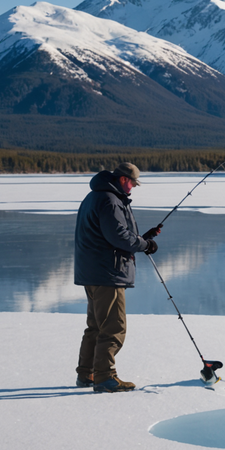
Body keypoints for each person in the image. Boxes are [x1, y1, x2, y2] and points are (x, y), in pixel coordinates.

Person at [73, 163, 160, 393]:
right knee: (114, 326)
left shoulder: (94, 197)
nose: (132, 188)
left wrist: (142, 238)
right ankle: (105, 377)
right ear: (123, 180)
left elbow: (112, 233)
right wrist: (145, 244)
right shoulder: (110, 200)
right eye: (132, 183)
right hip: (107, 273)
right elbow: (118, 236)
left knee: (95, 326)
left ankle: (87, 374)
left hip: (93, 272)